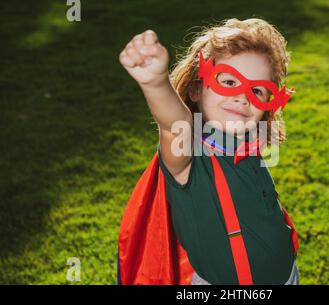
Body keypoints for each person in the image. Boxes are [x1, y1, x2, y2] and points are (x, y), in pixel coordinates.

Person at [118, 18, 299, 285]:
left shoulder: (248, 138)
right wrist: (156, 82)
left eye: (257, 90)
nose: (243, 97)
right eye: (228, 81)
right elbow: (174, 124)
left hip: (286, 275)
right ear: (195, 88)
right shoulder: (189, 153)